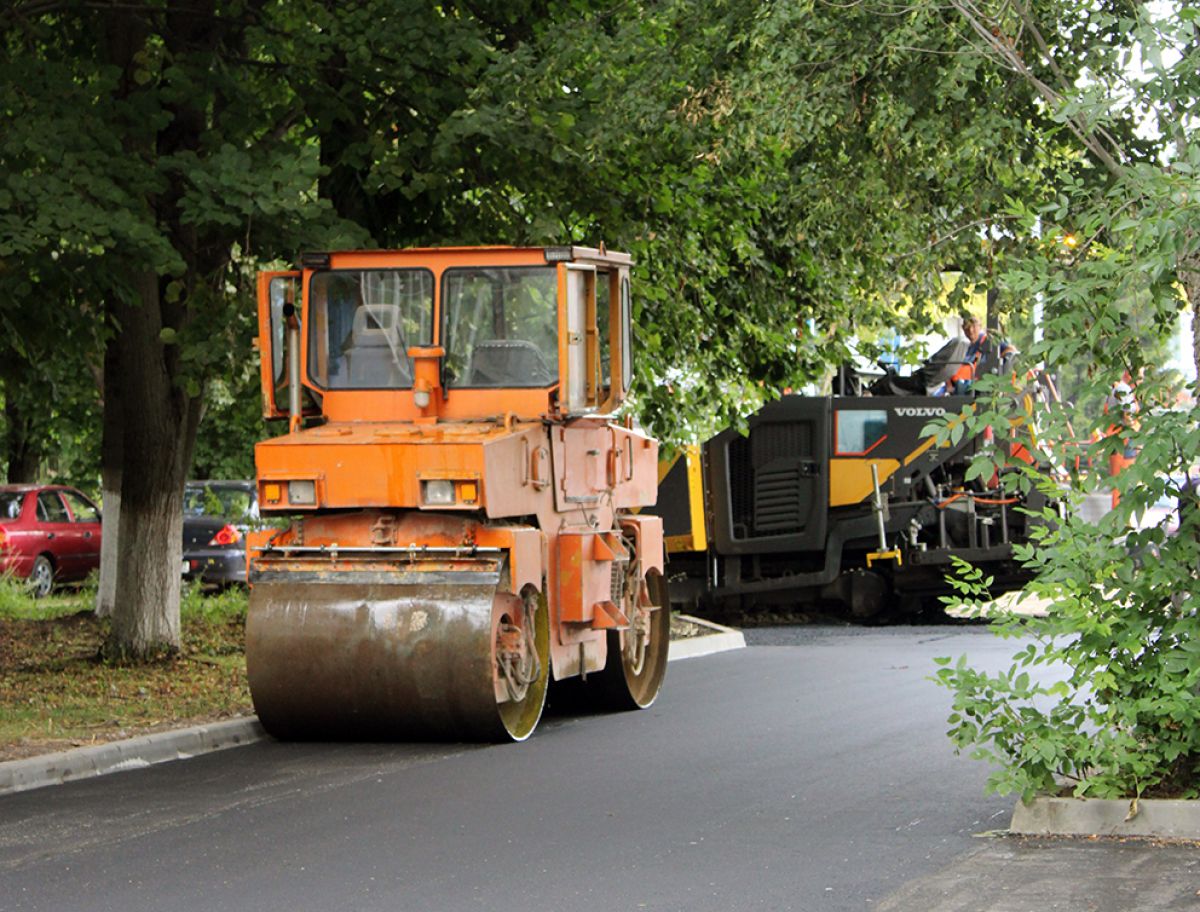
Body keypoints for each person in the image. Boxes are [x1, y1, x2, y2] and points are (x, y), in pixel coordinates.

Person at [945, 314, 1016, 395]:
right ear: (962, 328)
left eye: (973, 326)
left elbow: (1011, 349)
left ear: (980, 326)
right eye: (967, 326)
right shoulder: (964, 346)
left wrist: (997, 362)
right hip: (959, 387)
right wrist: (949, 384)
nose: (970, 330)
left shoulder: (988, 341)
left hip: (977, 388)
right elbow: (949, 369)